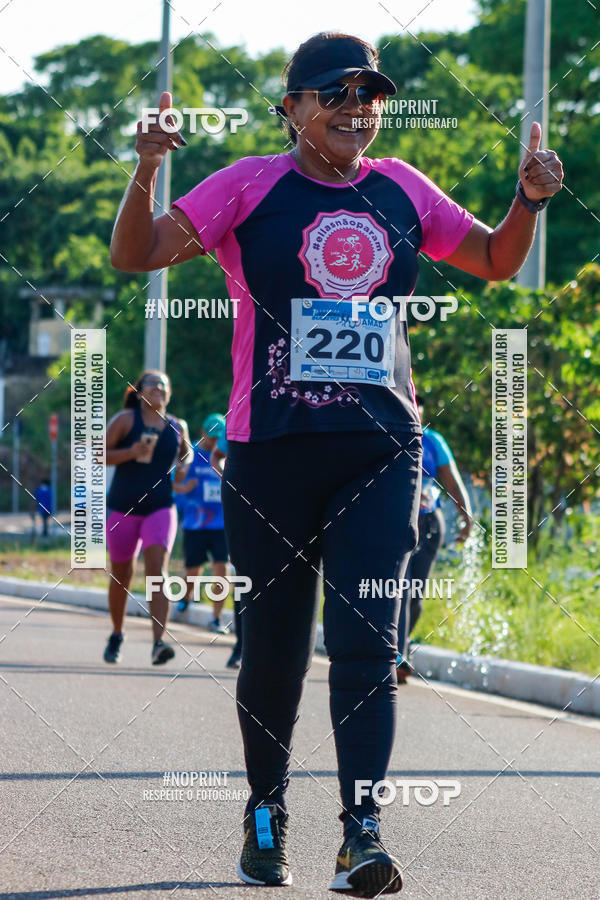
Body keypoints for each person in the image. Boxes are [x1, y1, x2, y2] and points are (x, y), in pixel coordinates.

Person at [110, 31, 563, 896]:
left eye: (371, 93)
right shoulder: (249, 184)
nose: (357, 107)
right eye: (335, 93)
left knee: (364, 640)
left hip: (381, 450)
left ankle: (363, 831)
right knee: (274, 650)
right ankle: (266, 811)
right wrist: (146, 170)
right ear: (292, 109)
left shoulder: (401, 189)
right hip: (269, 451)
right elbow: (137, 254)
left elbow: (498, 262)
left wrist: (528, 202)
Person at [103, 370, 192, 666]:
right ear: (139, 392)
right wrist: (131, 451)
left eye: (164, 386)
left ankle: (158, 643)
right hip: (123, 507)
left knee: (157, 571)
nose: (159, 389)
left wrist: (183, 463)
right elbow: (99, 453)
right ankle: (117, 633)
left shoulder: (177, 426)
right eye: (153, 385)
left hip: (160, 506)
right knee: (122, 575)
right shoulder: (125, 420)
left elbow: (185, 455)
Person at [396, 395, 472, 684]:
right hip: (397, 521)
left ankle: (400, 645)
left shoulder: (433, 441)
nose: (414, 408)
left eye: (418, 404)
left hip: (429, 522)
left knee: (415, 594)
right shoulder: (388, 435)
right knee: (399, 589)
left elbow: (452, 481)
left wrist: (467, 516)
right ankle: (397, 655)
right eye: (410, 401)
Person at [173, 414, 233, 636]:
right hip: (195, 523)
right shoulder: (191, 456)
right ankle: (186, 596)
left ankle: (216, 618)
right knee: (193, 571)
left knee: (222, 569)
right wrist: (184, 488)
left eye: (219, 436)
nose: (215, 441)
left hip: (221, 524)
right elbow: (174, 485)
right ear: (203, 433)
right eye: (212, 437)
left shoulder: (229, 456)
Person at [210, 428, 243, 669]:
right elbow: (217, 456)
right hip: (246, 508)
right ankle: (241, 647)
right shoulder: (240, 412)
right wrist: (229, 480)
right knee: (244, 580)